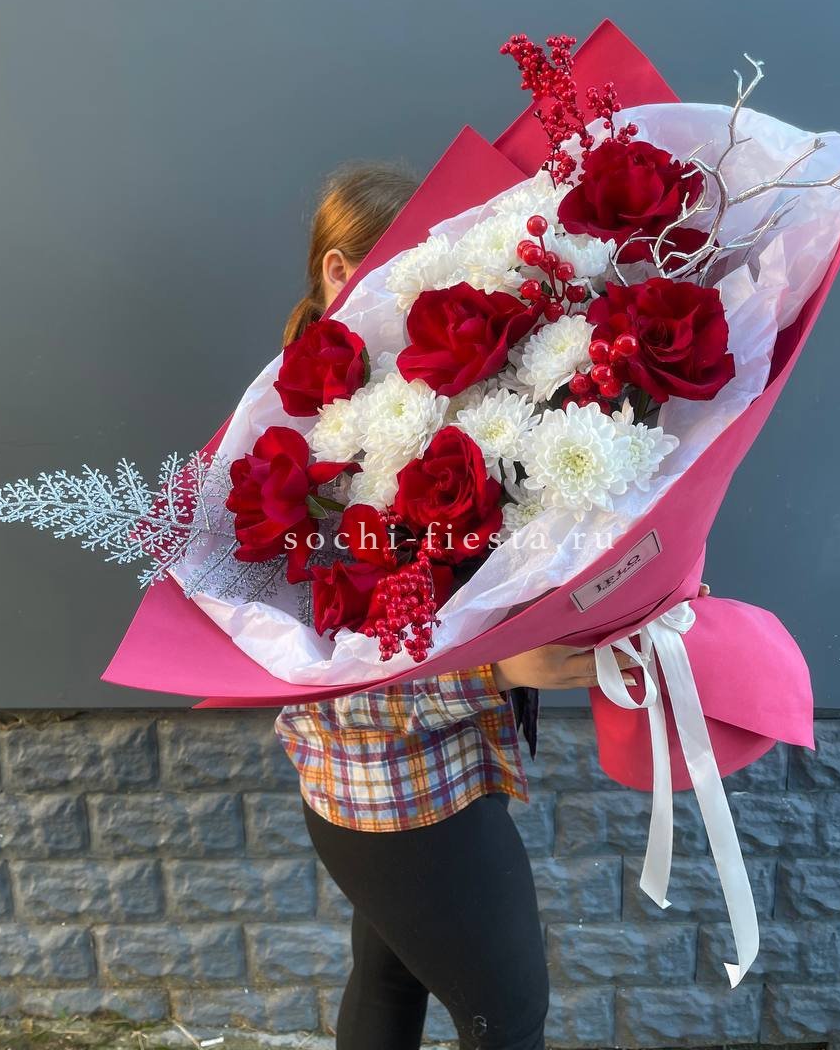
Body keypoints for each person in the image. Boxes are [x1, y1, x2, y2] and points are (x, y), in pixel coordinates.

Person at [274, 162, 707, 1050]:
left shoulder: (412, 391)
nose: (429, 285)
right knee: (508, 1021)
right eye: (408, 261)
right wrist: (495, 668)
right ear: (339, 271)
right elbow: (331, 678)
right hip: (397, 791)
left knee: (388, 980)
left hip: (434, 773)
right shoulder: (305, 448)